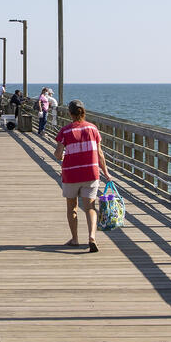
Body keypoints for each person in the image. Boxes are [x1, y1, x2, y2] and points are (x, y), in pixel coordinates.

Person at [53, 99, 108, 252]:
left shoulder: (65, 131)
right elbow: (100, 153)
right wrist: (106, 173)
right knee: (90, 207)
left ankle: (75, 239)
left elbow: (58, 154)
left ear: (70, 113)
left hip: (71, 174)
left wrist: (61, 156)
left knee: (72, 207)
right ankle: (92, 237)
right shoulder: (93, 128)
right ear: (83, 112)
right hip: (91, 173)